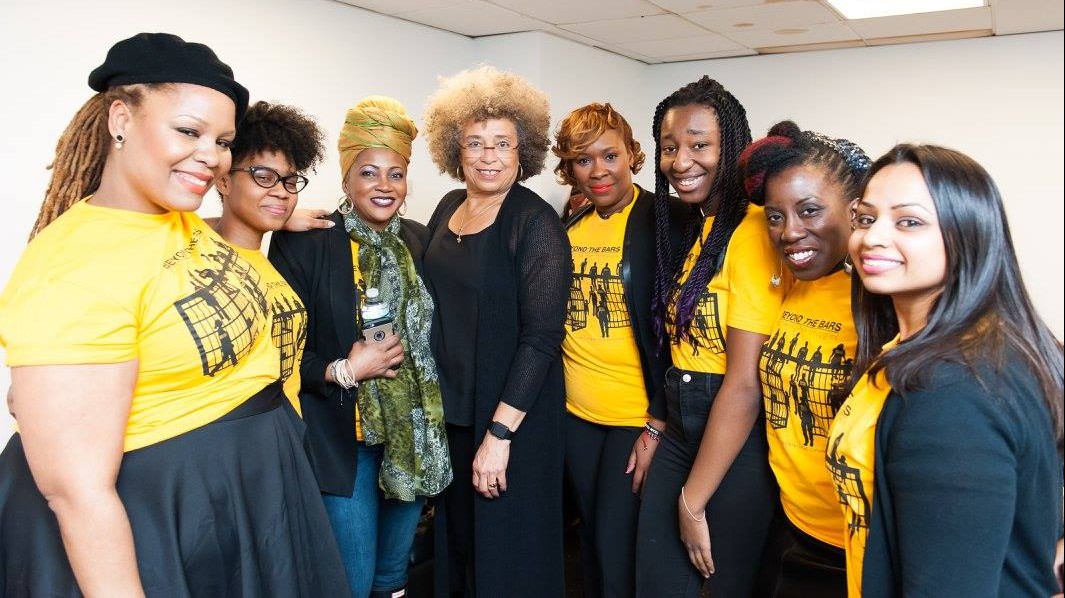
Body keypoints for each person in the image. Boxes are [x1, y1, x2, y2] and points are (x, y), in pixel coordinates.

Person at [0, 32, 347, 596]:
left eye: (223, 141)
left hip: (247, 495)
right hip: (161, 518)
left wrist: (286, 214)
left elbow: (196, 264)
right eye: (188, 131)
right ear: (120, 119)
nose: (210, 158)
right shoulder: (72, 265)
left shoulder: (175, 218)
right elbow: (76, 492)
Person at [829, 143, 1064, 597]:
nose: (872, 237)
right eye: (865, 217)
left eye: (908, 222)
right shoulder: (961, 343)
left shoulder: (950, 394)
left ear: (967, 233)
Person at [269, 96, 452, 598]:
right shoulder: (308, 242)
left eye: (396, 174)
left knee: (393, 578)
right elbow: (280, 355)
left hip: (410, 439)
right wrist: (346, 370)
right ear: (347, 178)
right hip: (344, 442)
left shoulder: (419, 241)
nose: (384, 186)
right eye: (369, 173)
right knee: (349, 581)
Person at [421, 65, 570, 597]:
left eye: (502, 143)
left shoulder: (534, 223)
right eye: (475, 143)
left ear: (521, 151)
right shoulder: (446, 208)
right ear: (454, 151)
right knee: (458, 551)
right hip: (453, 417)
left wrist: (500, 436)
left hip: (510, 423)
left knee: (507, 561)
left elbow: (542, 338)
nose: (488, 156)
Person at [635, 75, 785, 598]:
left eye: (700, 146)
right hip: (681, 419)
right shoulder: (702, 227)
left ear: (732, 149)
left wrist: (692, 502)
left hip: (733, 430)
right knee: (654, 580)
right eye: (670, 148)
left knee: (722, 585)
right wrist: (657, 427)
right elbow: (680, 347)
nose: (681, 162)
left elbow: (743, 386)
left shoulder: (753, 233)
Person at [736, 120, 872, 597]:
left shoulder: (886, 301)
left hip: (860, 552)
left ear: (857, 212)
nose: (790, 232)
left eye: (809, 210)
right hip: (793, 530)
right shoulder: (794, 289)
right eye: (776, 216)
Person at [552, 102, 676, 598]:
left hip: (635, 418)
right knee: (590, 545)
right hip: (576, 415)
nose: (598, 170)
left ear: (632, 155)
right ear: (570, 168)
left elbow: (677, 333)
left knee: (618, 541)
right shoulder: (570, 229)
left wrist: (658, 422)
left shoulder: (663, 221)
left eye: (609, 155)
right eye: (584, 160)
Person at [210, 100, 326, 410]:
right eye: (264, 176)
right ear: (223, 180)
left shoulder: (273, 266)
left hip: (284, 436)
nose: (282, 191)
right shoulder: (193, 252)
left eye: (290, 181)